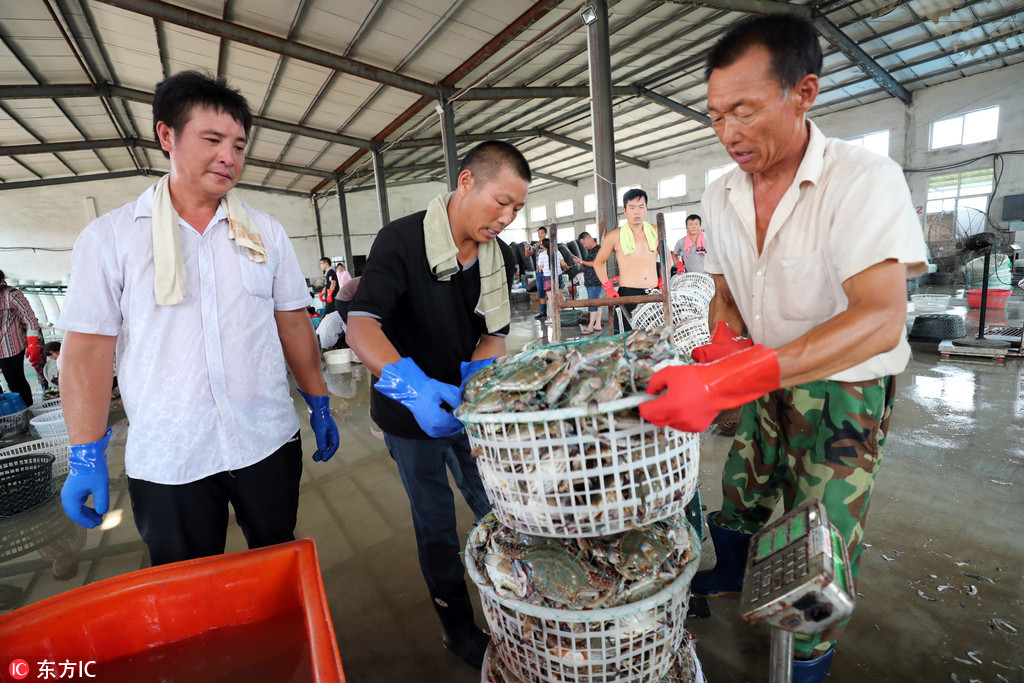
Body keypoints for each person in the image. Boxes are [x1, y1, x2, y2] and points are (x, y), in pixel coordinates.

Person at [638, 16, 927, 682]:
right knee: (741, 486)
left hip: (843, 390)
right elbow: (727, 290)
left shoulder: (862, 180)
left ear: (805, 93)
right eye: (715, 117)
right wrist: (721, 341)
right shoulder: (720, 194)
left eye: (744, 109)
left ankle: (805, 659)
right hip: (759, 374)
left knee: (816, 542)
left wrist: (739, 374)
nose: (729, 131)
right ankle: (729, 577)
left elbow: (881, 318)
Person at [57, 71, 339, 566]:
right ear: (167, 136)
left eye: (239, 145)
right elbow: (88, 351)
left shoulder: (265, 234)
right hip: (171, 456)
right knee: (186, 587)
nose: (229, 156)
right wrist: (85, 450)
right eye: (213, 140)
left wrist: (318, 400)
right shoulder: (112, 238)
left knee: (275, 565)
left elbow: (293, 323)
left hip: (266, 440)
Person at [347, 140, 529, 669]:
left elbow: (494, 333)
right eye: (501, 201)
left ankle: (519, 605)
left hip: (468, 411)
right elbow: (362, 325)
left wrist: (477, 382)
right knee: (435, 524)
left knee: (497, 508)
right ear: (466, 182)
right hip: (411, 414)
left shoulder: (499, 256)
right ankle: (456, 626)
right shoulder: (401, 241)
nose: (507, 217)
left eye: (517, 208)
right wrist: (413, 388)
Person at [593, 189, 661, 330]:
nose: (637, 212)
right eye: (632, 207)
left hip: (653, 293)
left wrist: (663, 281)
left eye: (641, 207)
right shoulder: (614, 236)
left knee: (654, 340)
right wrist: (608, 287)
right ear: (625, 211)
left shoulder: (656, 231)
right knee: (628, 340)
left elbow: (667, 256)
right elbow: (598, 263)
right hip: (628, 294)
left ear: (646, 209)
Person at [0, 269, 41, 409]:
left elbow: (29, 319)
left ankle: (26, 412)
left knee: (15, 382)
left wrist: (32, 344)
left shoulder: (11, 295)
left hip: (10, 347)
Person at [573, 231, 603, 334]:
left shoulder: (598, 250)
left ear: (589, 239)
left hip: (594, 281)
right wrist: (581, 263)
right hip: (590, 280)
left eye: (584, 243)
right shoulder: (590, 251)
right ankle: (597, 324)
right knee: (596, 303)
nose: (584, 246)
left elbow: (595, 264)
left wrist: (582, 262)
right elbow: (588, 264)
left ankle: (590, 326)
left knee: (593, 303)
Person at [534, 238, 551, 320]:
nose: (540, 235)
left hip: (548, 274)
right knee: (541, 292)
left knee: (550, 294)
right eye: (539, 233)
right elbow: (529, 253)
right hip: (540, 273)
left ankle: (552, 314)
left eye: (542, 233)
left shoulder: (553, 250)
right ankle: (543, 313)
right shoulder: (536, 245)